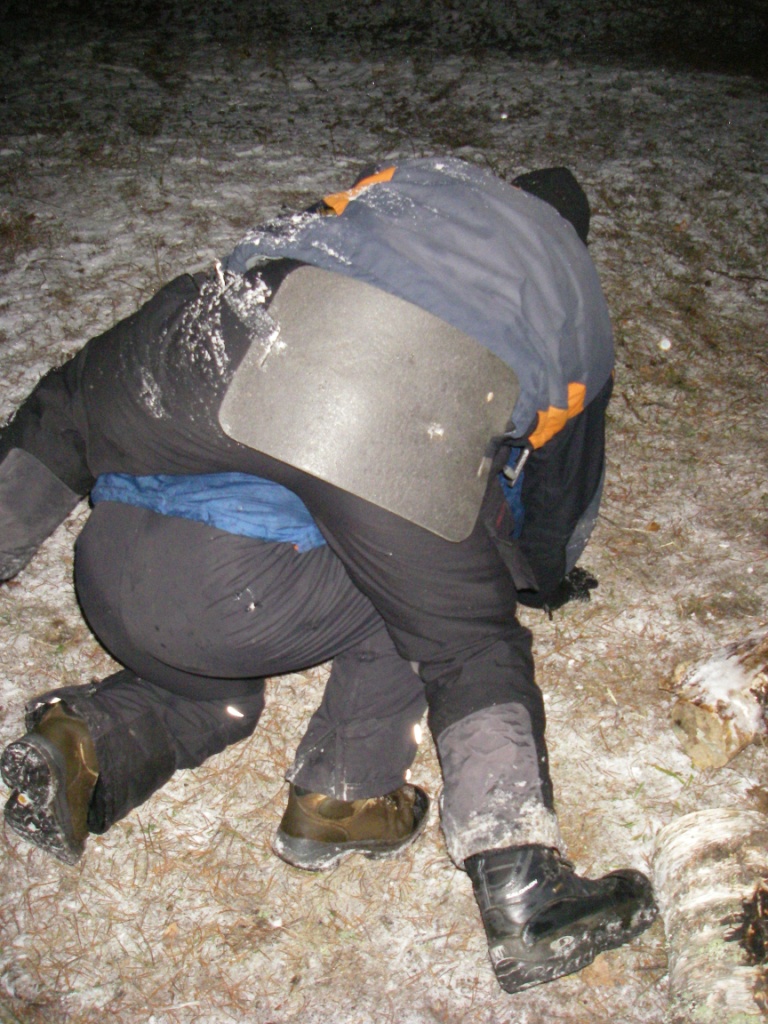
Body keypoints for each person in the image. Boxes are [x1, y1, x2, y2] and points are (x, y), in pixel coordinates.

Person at [0, 156, 657, 993]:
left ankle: (90, 741)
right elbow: (559, 488)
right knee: (462, 613)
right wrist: (542, 577)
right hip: (370, 399)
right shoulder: (573, 291)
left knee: (78, 419)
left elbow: (298, 232)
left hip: (186, 408)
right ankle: (443, 846)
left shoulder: (417, 181)